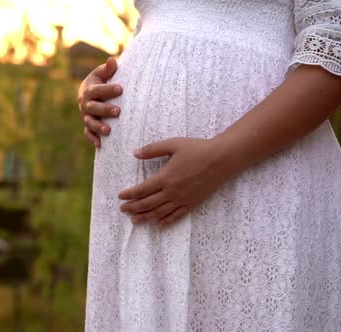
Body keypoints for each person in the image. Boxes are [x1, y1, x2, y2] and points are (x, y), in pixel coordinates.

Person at [77, 0, 341, 330]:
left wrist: (221, 157)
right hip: (137, 207)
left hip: (258, 175)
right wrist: (98, 87)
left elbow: (334, 46)